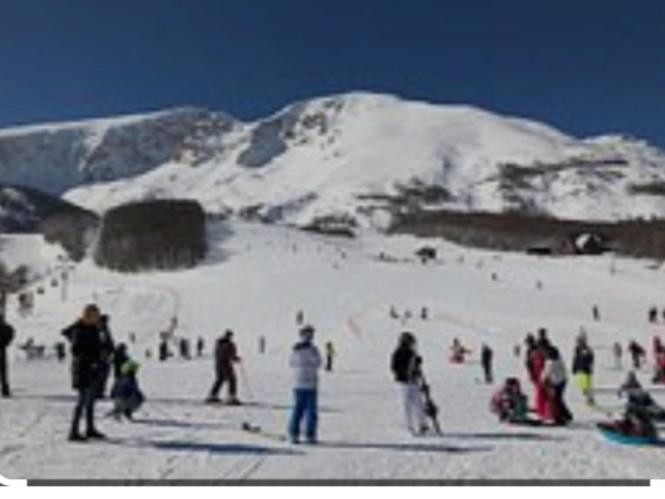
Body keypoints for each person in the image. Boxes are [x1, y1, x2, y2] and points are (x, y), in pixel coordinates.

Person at [62, 304, 106, 441]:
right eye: (95, 316)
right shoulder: (80, 330)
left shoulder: (93, 329)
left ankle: (90, 428)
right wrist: (90, 360)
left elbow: (97, 346)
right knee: (82, 400)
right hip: (82, 369)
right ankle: (73, 431)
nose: (97, 319)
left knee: (90, 400)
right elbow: (77, 351)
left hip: (92, 369)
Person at [288, 325, 322, 444]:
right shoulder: (303, 350)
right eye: (308, 334)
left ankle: (306, 434)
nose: (310, 337)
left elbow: (318, 363)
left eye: (311, 334)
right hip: (303, 383)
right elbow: (316, 362)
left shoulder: (310, 349)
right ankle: (297, 433)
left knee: (307, 411)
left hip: (307, 383)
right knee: (302, 410)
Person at [391, 332, 428, 435]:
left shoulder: (412, 353)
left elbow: (415, 368)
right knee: (405, 404)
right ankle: (408, 425)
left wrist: (417, 365)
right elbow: (395, 367)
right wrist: (404, 372)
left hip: (413, 382)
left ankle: (422, 423)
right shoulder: (398, 353)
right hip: (403, 383)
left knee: (418, 403)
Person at [206, 330, 241, 404]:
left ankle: (213, 395)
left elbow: (220, 354)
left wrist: (233, 357)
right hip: (225, 364)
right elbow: (227, 354)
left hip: (218, 364)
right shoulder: (228, 344)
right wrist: (235, 358)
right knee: (232, 379)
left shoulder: (219, 344)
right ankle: (232, 397)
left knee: (220, 379)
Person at [542, 347, 572, 425]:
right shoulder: (558, 360)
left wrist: (546, 381)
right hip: (561, 382)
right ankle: (566, 415)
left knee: (556, 400)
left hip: (556, 383)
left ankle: (559, 417)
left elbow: (546, 373)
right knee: (558, 399)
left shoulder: (551, 362)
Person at [526, 334, 549, 420]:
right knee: (541, 393)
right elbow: (530, 364)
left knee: (542, 394)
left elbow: (531, 364)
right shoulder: (533, 351)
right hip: (538, 374)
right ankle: (542, 410)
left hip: (540, 375)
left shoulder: (536, 352)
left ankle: (543, 411)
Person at [572, 331, 595, 405]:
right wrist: (574, 368)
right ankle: (588, 397)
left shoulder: (587, 349)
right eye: (577, 342)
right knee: (583, 386)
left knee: (588, 386)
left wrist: (588, 363)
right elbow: (575, 359)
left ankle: (590, 399)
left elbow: (591, 358)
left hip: (586, 370)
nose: (578, 343)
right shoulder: (577, 349)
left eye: (579, 341)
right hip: (580, 370)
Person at [97, 314, 115, 399]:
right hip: (101, 356)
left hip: (104, 356)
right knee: (101, 374)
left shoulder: (104, 330)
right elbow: (105, 342)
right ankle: (98, 391)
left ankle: (100, 391)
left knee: (103, 374)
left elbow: (109, 342)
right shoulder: (100, 331)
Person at [0, 314, 15, 398]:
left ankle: (5, 390)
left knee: (3, 372)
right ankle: (5, 390)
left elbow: (11, 333)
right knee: (3, 372)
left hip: (2, 349)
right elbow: (11, 333)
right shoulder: (7, 327)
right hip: (2, 350)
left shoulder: (7, 328)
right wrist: (6, 343)